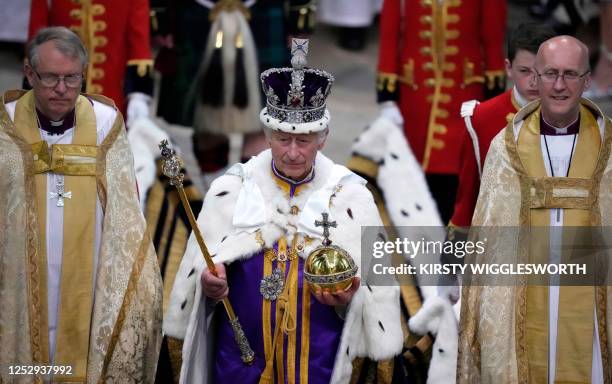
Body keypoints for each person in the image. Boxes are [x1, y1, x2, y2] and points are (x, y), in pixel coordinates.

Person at [164, 39, 402, 383]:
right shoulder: (231, 190)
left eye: (303, 141)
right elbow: (196, 289)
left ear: (323, 137)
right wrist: (208, 287)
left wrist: (347, 300)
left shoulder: (353, 198)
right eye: (281, 139)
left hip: (317, 364)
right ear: (266, 135)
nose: (292, 152)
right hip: (238, 361)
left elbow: (379, 296)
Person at [0, 27, 162, 382]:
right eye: (51, 78)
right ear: (29, 73)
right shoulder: (5, 123)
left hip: (86, 281)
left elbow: (125, 210)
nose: (62, 89)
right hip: (17, 283)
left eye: (72, 78)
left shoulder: (105, 124)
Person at [457, 35, 611, 383]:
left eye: (571, 74)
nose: (559, 85)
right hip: (521, 302)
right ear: (535, 78)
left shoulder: (609, 148)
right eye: (550, 73)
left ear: (588, 80)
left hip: (592, 306)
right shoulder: (505, 147)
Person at [376, 0, 507, 223]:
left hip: (464, 90)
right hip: (415, 92)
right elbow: (389, 29)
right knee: (411, 166)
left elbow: (494, 30)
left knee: (458, 168)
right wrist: (388, 93)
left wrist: (494, 86)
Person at [449, 23, 556, 230]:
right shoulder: (480, 118)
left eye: (544, 72)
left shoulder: (584, 120)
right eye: (524, 71)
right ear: (508, 68)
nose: (534, 81)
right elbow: (468, 202)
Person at [28, 0, 154, 121]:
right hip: (55, 94)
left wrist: (138, 95)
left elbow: (139, 41)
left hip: (110, 96)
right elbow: (37, 35)